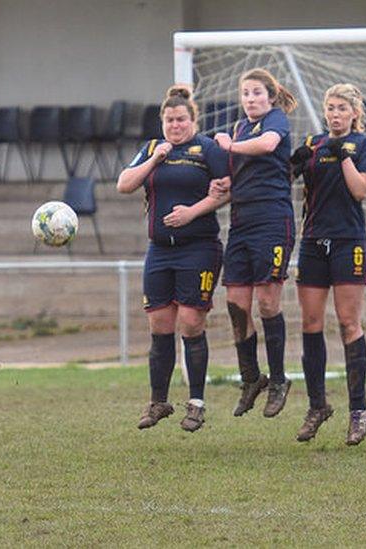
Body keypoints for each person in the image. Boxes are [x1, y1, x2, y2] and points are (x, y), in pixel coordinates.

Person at [117, 86, 231, 432]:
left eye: (181, 119)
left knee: (191, 322)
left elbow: (230, 189)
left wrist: (193, 212)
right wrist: (155, 159)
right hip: (159, 251)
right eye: (169, 120)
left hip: (198, 247)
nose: (175, 125)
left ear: (193, 120)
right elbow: (124, 184)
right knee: (159, 325)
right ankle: (158, 401)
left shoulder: (207, 149)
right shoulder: (152, 149)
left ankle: (196, 403)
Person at [288, 83, 366, 445]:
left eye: (342, 108)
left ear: (354, 112)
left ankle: (359, 410)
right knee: (310, 323)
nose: (335, 113)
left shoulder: (363, 146)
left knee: (347, 323)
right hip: (312, 243)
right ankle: (317, 405)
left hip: (348, 243)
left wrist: (343, 156)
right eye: (331, 107)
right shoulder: (311, 145)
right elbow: (280, 176)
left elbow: (360, 190)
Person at [211, 68, 297, 418]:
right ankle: (251, 378)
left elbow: (268, 146)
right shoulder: (240, 127)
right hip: (242, 221)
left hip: (272, 220)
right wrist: (223, 185)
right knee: (235, 303)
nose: (250, 99)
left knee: (266, 301)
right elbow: (241, 169)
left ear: (271, 96)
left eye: (257, 93)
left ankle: (278, 379)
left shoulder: (276, 121)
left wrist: (230, 146)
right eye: (245, 93)